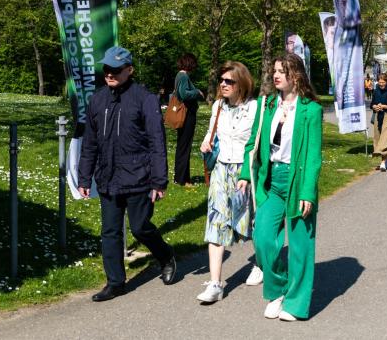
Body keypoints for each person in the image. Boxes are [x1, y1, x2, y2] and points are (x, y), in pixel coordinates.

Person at [77, 46, 178, 302]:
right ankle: (115, 283)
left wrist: (159, 180)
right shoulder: (98, 99)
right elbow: (90, 142)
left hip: (138, 177)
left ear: (129, 70)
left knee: (140, 228)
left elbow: (157, 141)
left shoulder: (144, 98)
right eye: (106, 69)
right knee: (110, 231)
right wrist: (84, 177)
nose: (109, 74)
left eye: (116, 70)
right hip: (108, 178)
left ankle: (166, 256)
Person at [238, 53, 322, 321]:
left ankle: (296, 304)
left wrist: (308, 191)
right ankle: (276, 290)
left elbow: (312, 156)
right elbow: (253, 143)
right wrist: (245, 174)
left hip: (297, 182)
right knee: (262, 237)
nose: (276, 75)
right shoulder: (266, 105)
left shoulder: (311, 110)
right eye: (274, 70)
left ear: (296, 75)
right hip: (272, 181)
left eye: (282, 71)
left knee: (300, 247)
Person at [196, 61, 262, 303]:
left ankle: (261, 262)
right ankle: (216, 284)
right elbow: (211, 133)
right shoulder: (218, 106)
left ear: (241, 84)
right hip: (221, 170)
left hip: (246, 171)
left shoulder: (255, 109)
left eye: (229, 81)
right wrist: (206, 142)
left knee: (250, 222)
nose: (223, 84)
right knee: (216, 222)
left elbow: (258, 142)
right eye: (221, 80)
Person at [174, 53, 204, 186]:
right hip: (187, 115)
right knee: (185, 146)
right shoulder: (184, 76)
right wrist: (197, 92)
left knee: (182, 146)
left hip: (184, 115)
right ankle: (183, 179)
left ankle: (179, 177)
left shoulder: (180, 75)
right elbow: (184, 94)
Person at [370, 75, 387, 171]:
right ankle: (385, 159)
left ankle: (383, 162)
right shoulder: (376, 91)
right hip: (378, 116)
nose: (381, 84)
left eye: (383, 82)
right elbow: (372, 103)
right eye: (379, 82)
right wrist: (374, 106)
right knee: (378, 138)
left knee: (385, 138)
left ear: (386, 81)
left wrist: (384, 106)